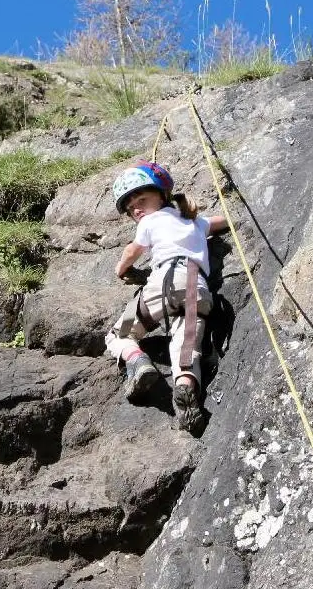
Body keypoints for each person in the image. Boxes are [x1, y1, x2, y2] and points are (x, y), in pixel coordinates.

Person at [105, 161, 229, 430]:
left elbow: (131, 252)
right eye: (130, 208)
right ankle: (186, 393)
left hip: (163, 282)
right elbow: (218, 222)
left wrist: (121, 269)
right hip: (196, 286)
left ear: (162, 196)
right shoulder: (193, 222)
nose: (136, 209)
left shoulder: (150, 221)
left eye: (141, 200)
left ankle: (137, 362)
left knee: (118, 335)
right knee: (187, 351)